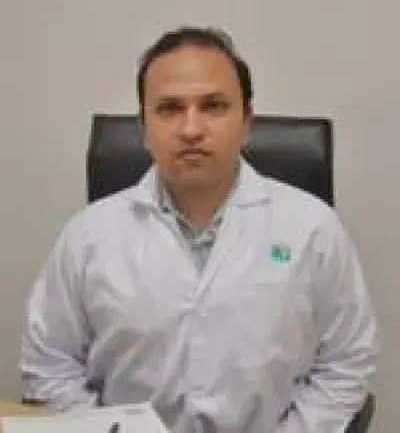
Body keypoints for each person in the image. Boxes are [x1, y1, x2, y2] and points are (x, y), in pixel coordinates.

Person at [20, 26, 379, 432]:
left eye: (213, 106)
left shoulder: (313, 229)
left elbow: (346, 362)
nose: (191, 129)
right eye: (170, 108)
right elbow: (49, 363)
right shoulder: (88, 237)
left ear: (246, 121)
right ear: (144, 128)